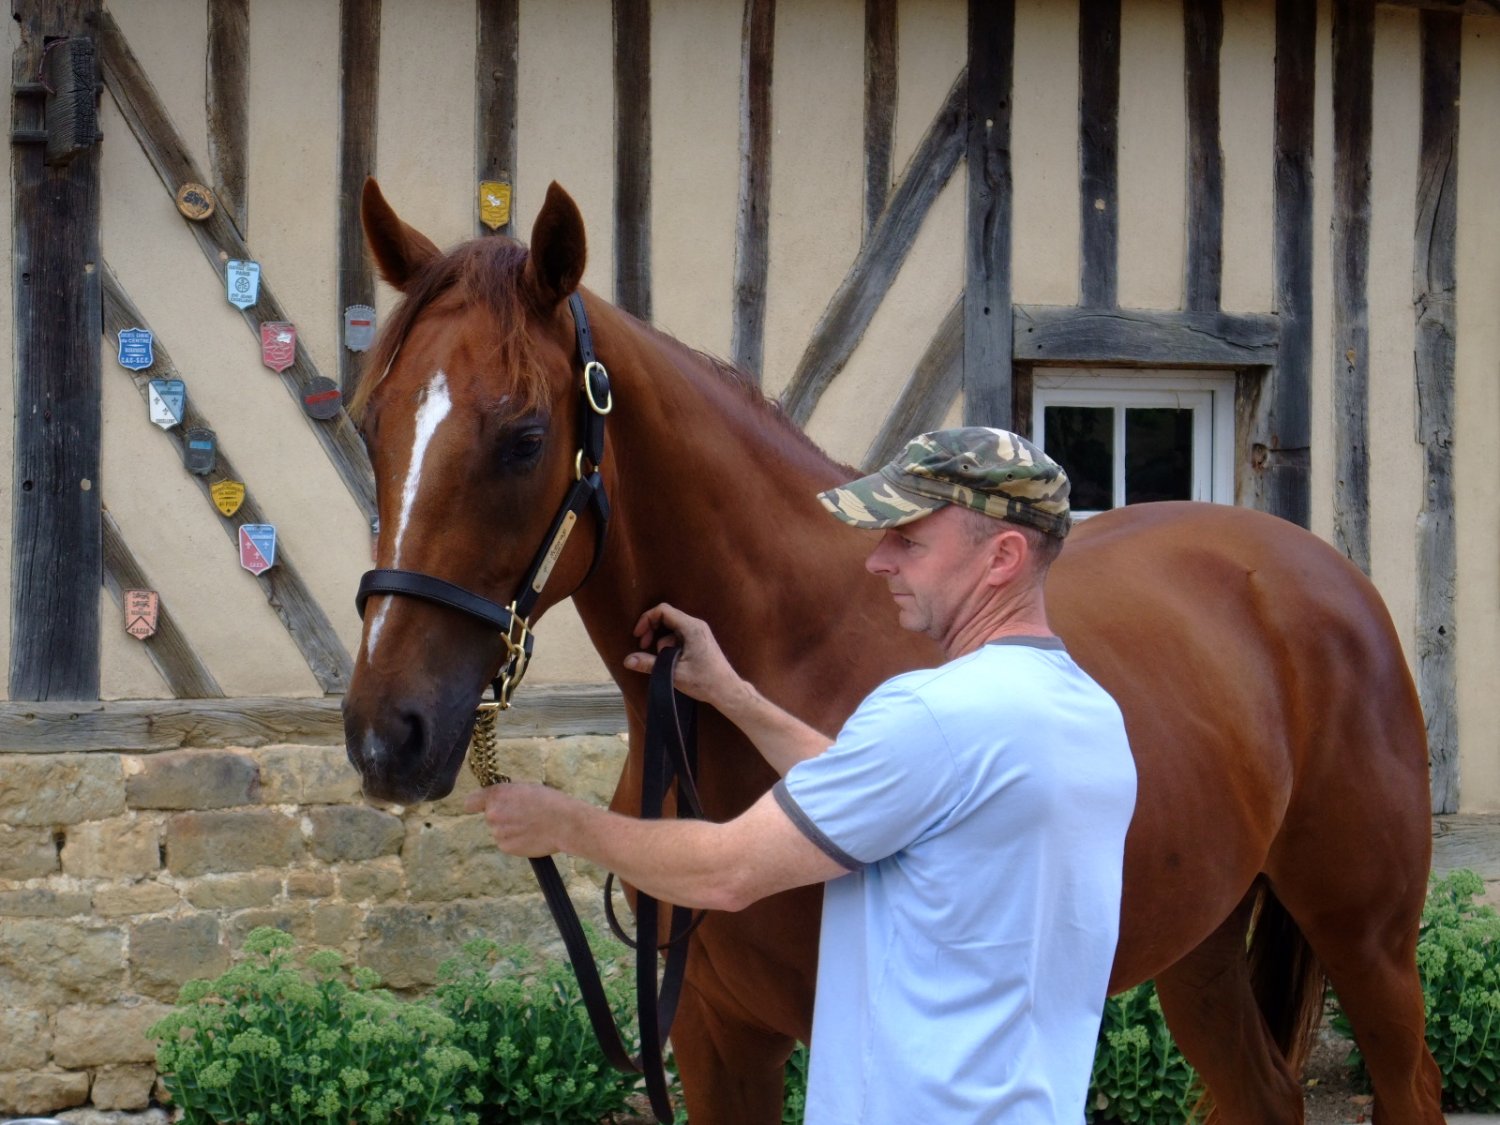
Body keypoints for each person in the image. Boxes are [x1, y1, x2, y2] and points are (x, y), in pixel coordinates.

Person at [466, 427, 1138, 1124]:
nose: (878, 560)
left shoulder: (934, 713)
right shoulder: (1089, 715)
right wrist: (735, 696)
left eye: (909, 541)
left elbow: (726, 872)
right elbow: (882, 796)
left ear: (1002, 556)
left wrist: (564, 823)